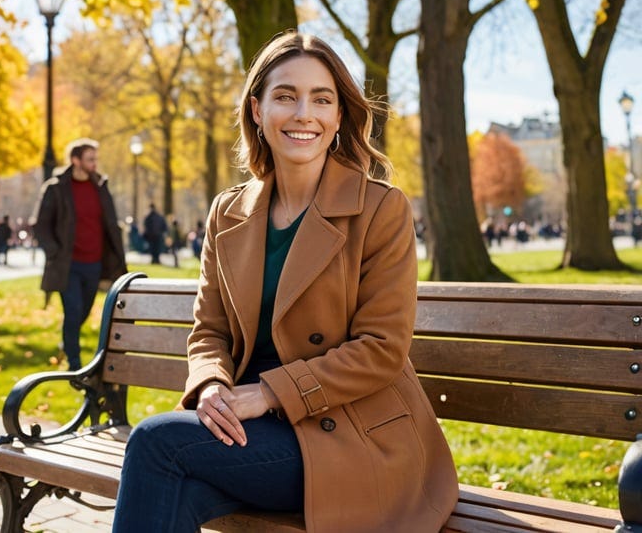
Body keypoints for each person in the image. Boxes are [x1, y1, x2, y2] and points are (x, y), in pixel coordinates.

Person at [113, 32, 458, 533]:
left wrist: (267, 394)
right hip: (251, 428)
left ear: (339, 116)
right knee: (172, 486)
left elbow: (382, 348)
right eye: (285, 96)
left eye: (322, 99)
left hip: (349, 435)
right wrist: (210, 384)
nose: (304, 114)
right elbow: (208, 330)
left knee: (154, 444)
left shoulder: (380, 209)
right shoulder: (227, 212)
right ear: (257, 110)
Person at [33, 138, 127, 371]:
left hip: (95, 263)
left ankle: (67, 342)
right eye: (90, 159)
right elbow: (40, 225)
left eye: (95, 159)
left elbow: (110, 223)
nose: (95, 163)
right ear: (76, 161)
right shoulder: (56, 188)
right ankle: (74, 364)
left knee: (83, 311)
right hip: (68, 264)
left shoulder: (101, 187)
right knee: (73, 311)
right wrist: (53, 251)